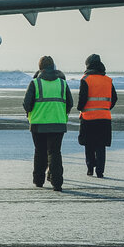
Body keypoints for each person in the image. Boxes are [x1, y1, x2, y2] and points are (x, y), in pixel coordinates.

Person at [23, 55, 74, 191]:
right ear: (53, 67)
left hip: (38, 124)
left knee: (40, 152)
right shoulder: (63, 83)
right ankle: (57, 183)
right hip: (58, 124)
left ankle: (38, 180)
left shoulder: (35, 83)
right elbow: (70, 103)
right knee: (55, 153)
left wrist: (30, 112)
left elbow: (26, 104)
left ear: (40, 68)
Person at [78, 53, 118, 178]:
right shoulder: (108, 80)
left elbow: (82, 98)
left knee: (89, 144)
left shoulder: (85, 79)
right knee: (101, 145)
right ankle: (100, 171)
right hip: (104, 118)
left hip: (88, 117)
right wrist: (105, 108)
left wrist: (80, 108)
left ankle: (90, 168)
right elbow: (114, 98)